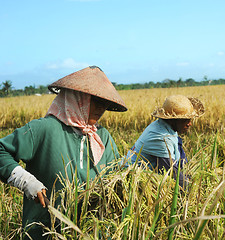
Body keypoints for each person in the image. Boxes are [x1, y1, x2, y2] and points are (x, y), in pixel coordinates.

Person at [0, 66, 127, 239]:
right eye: (96, 101)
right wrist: (25, 181)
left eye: (105, 103)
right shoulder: (45, 129)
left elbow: (117, 174)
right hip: (46, 230)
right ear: (78, 98)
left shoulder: (102, 137)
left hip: (90, 232)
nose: (102, 109)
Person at [125, 95, 204, 188]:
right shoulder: (161, 137)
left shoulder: (169, 128)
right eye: (185, 120)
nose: (190, 124)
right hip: (134, 179)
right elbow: (172, 172)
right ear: (173, 120)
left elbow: (180, 157)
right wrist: (191, 190)